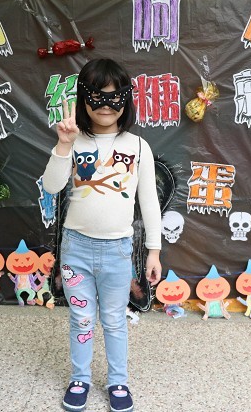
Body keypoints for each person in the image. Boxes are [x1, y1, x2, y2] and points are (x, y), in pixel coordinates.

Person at [42, 58, 162, 412]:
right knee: (80, 319)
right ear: (84, 98)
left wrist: (154, 251)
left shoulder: (138, 146)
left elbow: (149, 202)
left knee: (114, 320)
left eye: (114, 96)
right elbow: (51, 186)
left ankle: (118, 381)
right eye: (97, 96)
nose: (106, 105)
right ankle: (80, 377)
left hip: (117, 251)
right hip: (76, 249)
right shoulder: (73, 140)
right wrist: (64, 144)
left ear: (126, 99)